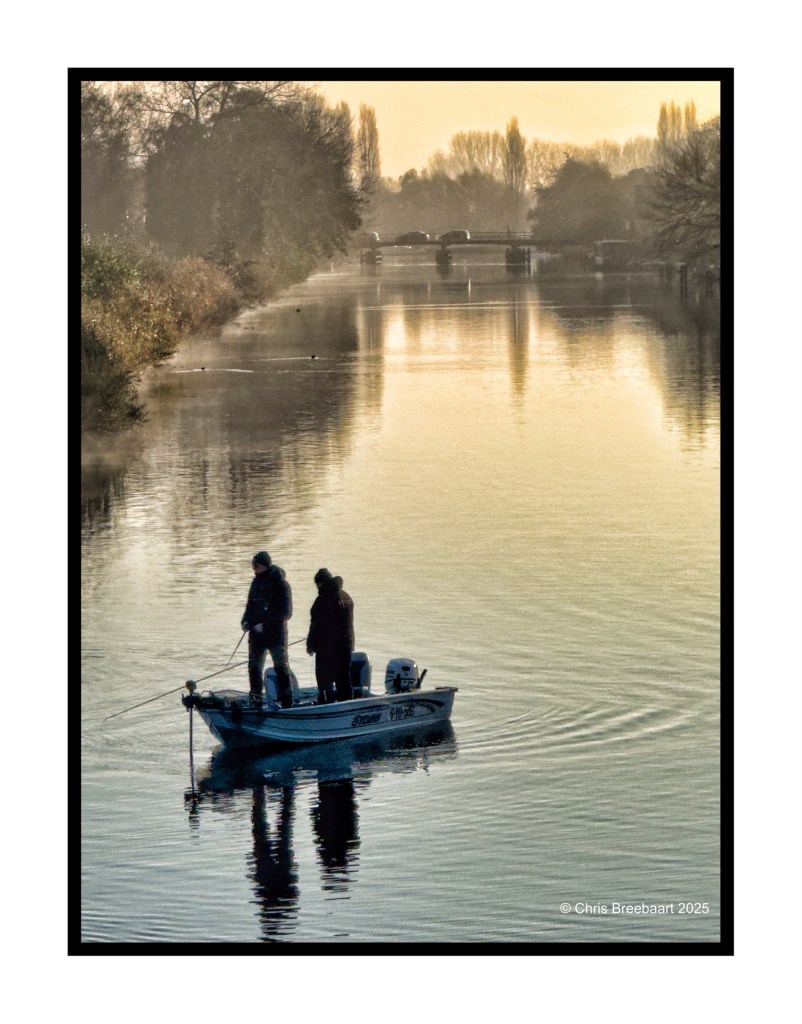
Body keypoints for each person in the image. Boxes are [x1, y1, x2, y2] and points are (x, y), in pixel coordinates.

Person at [241, 551, 293, 707]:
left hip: (276, 635)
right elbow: (250, 607)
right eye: (252, 566)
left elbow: (286, 613)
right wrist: (245, 621)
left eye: (255, 566)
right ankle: (255, 700)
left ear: (264, 566)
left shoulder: (281, 584)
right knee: (254, 667)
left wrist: (264, 623)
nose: (253, 569)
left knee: (281, 667)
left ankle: (287, 702)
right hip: (256, 637)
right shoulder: (255, 583)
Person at [306, 568, 355, 703]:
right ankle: (347, 706)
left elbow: (316, 625)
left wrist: (310, 645)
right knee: (344, 679)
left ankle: (325, 704)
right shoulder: (346, 597)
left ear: (320, 583)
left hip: (327, 648)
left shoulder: (322, 600)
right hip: (347, 645)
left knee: (324, 679)